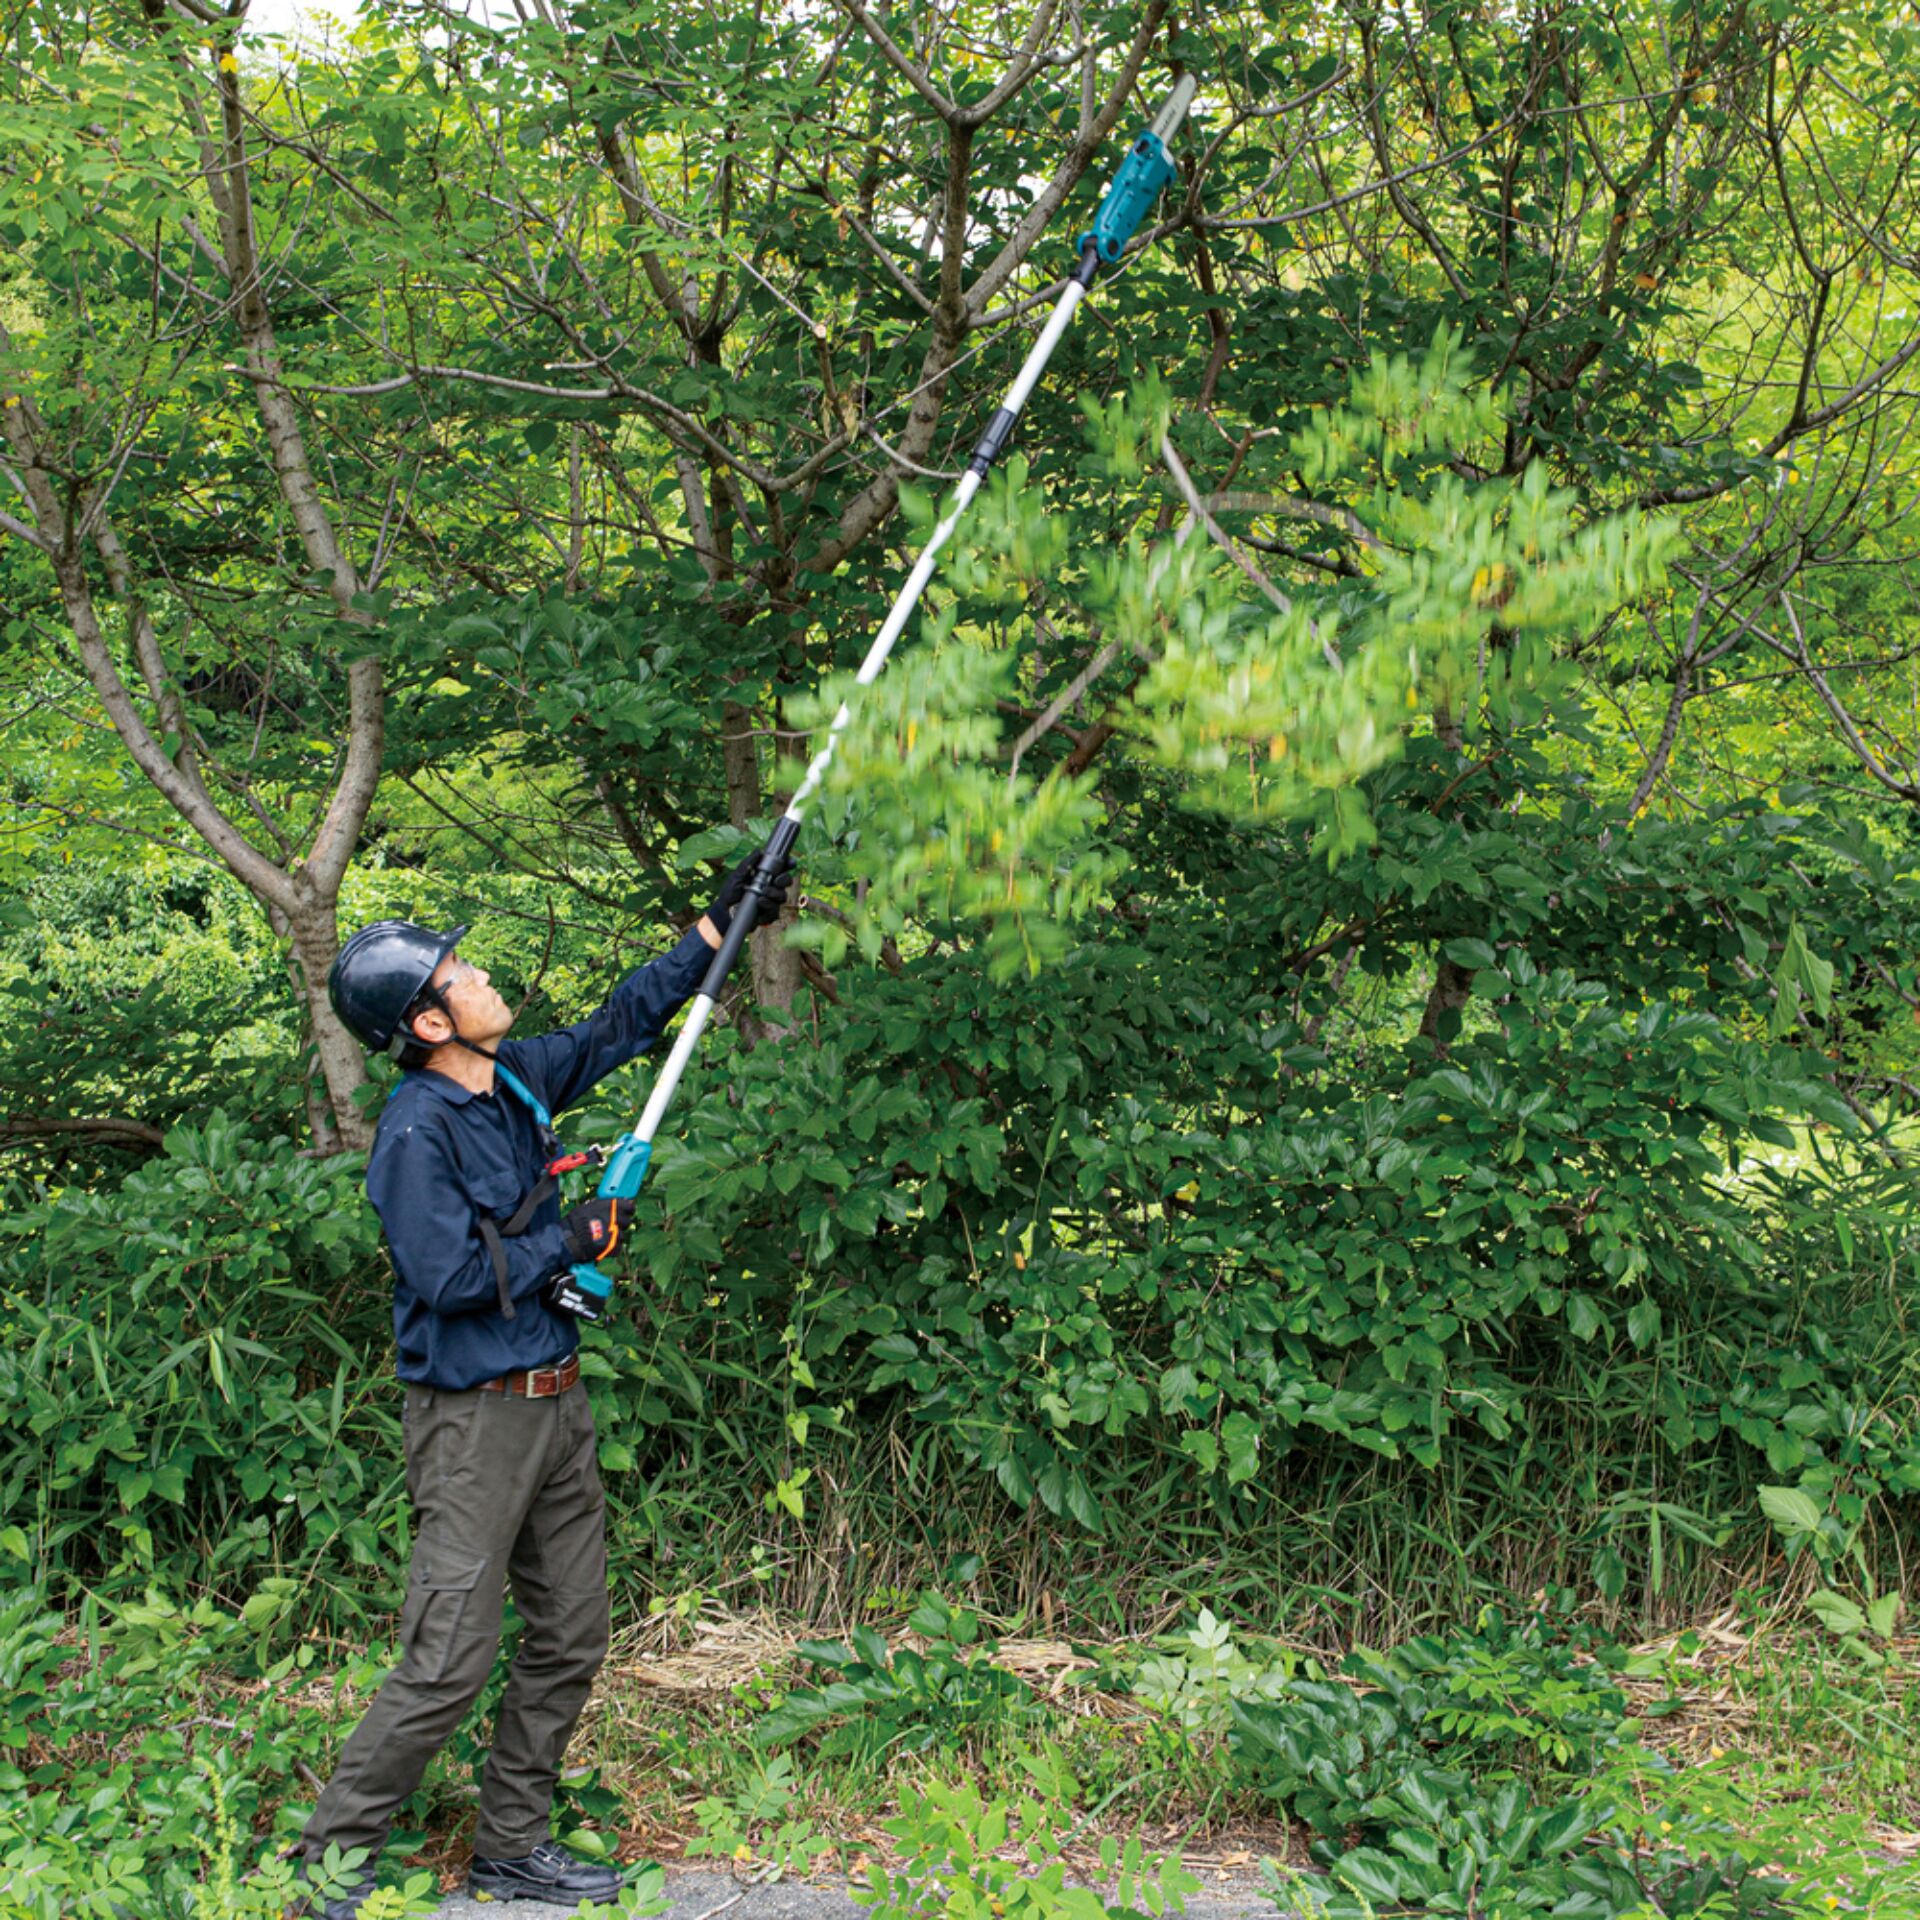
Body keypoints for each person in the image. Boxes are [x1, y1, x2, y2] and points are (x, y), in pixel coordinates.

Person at [300, 852, 791, 1918]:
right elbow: (446, 1278)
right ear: (429, 1024)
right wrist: (569, 1242)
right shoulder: (414, 1135)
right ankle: (328, 1864)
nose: (479, 976)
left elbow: (625, 1024)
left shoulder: (513, 1077)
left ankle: (510, 1846)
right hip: (473, 1423)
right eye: (459, 973)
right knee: (446, 1660)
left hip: (555, 1401)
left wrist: (725, 923)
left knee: (570, 1632)